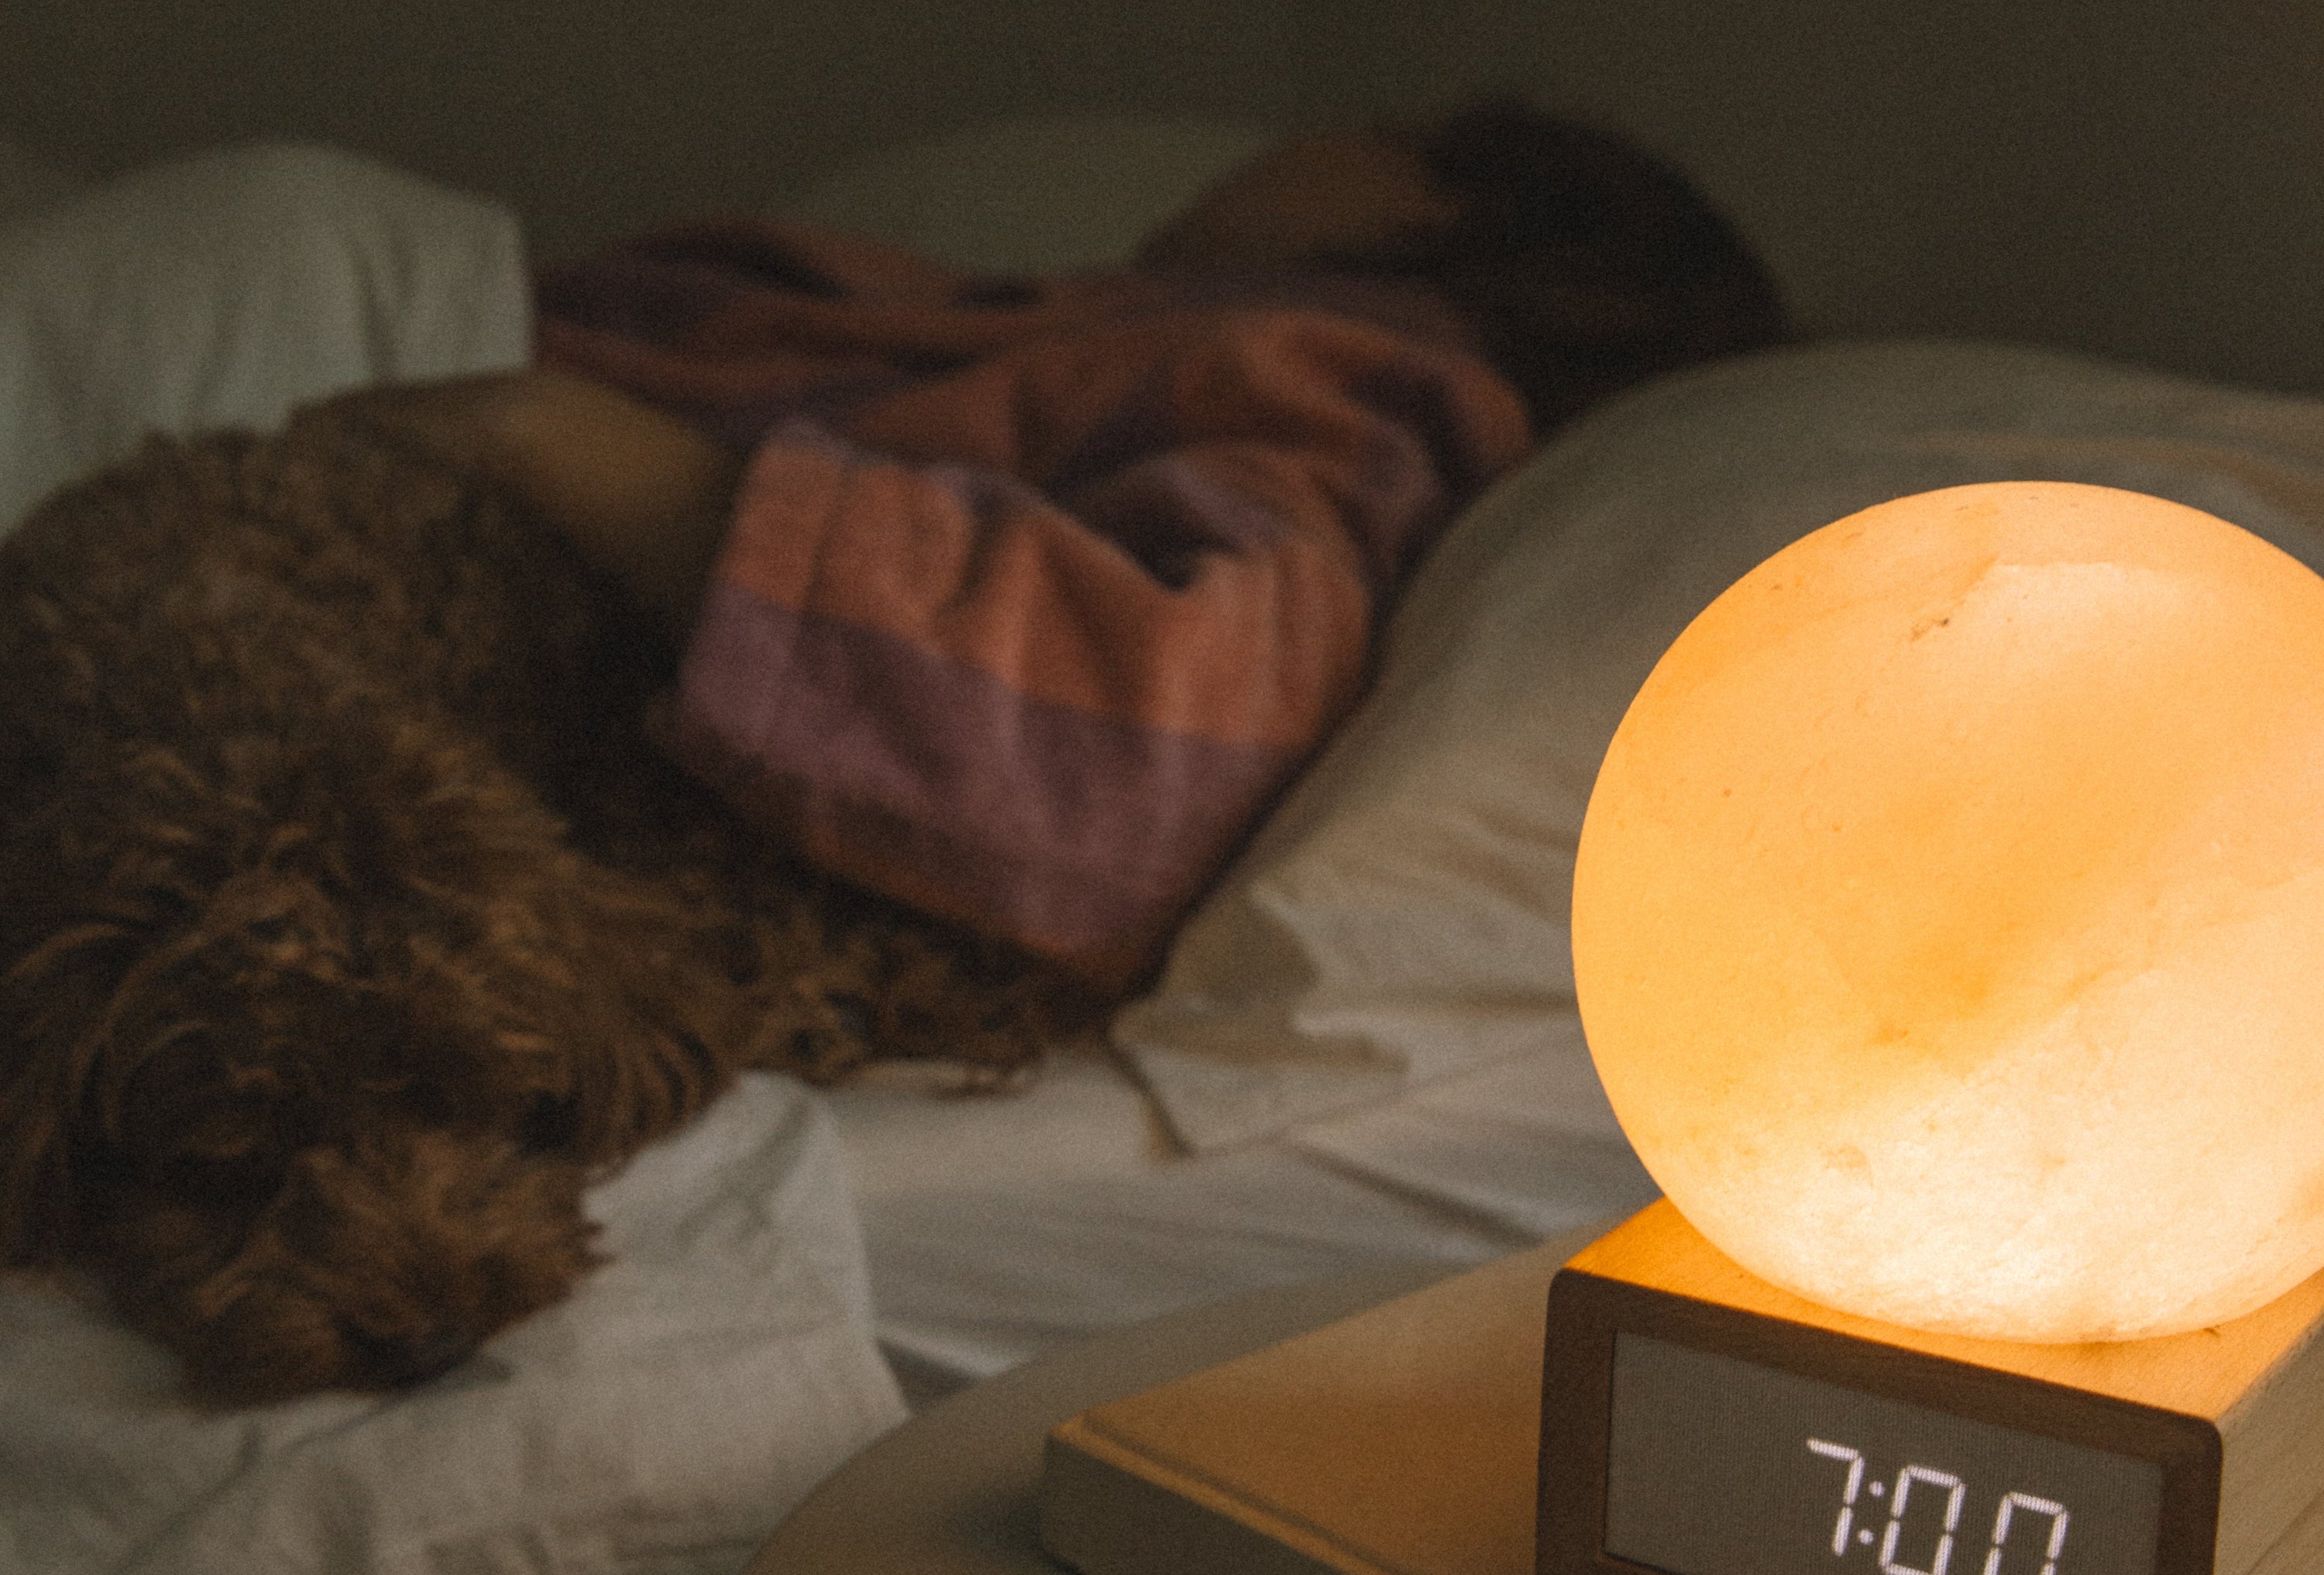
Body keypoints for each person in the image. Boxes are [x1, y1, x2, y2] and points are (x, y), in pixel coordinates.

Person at [361, 103, 1785, 991]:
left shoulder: (1357, 366)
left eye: (1372, 127)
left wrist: (567, 447)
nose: (1287, 140)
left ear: (1441, 205)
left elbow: (1146, 739)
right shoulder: (1131, 315)